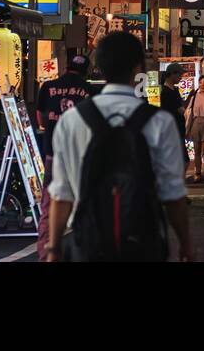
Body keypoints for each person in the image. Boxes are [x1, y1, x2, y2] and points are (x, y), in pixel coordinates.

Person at [46, 32, 194, 262]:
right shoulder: (159, 122)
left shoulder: (72, 120)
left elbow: (61, 194)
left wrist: (54, 248)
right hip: (143, 242)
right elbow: (173, 194)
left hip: (88, 242)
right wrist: (186, 243)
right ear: (138, 68)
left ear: (99, 67)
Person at [34, 54, 96, 259]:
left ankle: (45, 252)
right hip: (81, 155)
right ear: (86, 71)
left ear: (67, 67)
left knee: (49, 204)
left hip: (54, 154)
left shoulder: (48, 86)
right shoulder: (89, 90)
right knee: (86, 203)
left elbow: (41, 120)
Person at [185, 75, 204, 182]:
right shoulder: (194, 96)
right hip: (196, 123)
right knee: (197, 150)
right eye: (200, 82)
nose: (202, 85)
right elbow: (189, 110)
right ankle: (198, 172)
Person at [159, 65, 188, 165]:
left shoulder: (174, 90)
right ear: (172, 74)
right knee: (183, 161)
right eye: (179, 74)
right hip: (172, 130)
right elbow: (181, 109)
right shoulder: (166, 92)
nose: (181, 77)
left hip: (177, 129)